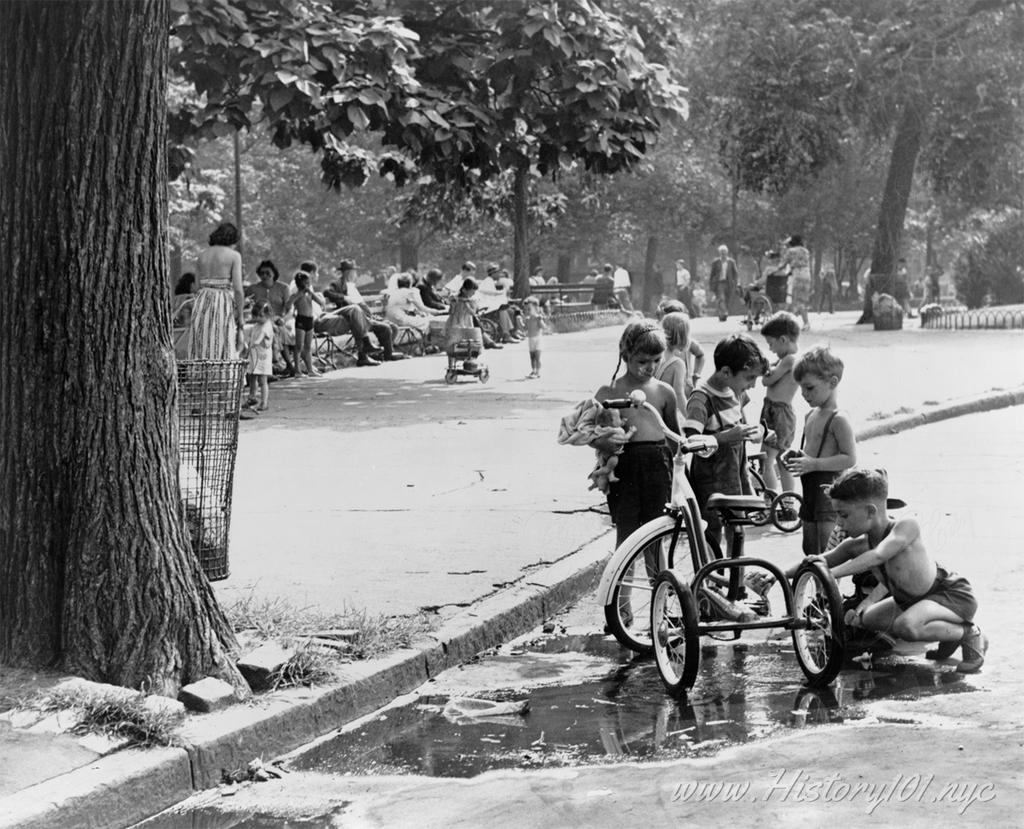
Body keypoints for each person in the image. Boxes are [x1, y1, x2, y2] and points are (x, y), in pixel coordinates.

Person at [756, 468, 986, 673]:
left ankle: (968, 633)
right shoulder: (856, 544)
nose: (839, 523)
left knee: (906, 626)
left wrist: (831, 575)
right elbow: (816, 561)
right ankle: (949, 634)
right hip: (912, 602)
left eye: (844, 515)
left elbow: (878, 555)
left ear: (870, 511)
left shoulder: (905, 528)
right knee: (865, 618)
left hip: (950, 595)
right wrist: (775, 574)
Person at [592, 320, 680, 545]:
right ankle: (621, 578)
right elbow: (589, 432)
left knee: (656, 533)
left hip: (658, 467)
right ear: (625, 356)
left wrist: (680, 472)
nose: (650, 367)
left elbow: (674, 438)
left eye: (656, 360)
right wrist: (604, 442)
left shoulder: (664, 392)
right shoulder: (608, 392)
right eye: (642, 361)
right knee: (627, 533)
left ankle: (658, 580)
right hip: (624, 467)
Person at [683, 334, 768, 553]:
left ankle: (734, 577)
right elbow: (691, 440)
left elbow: (742, 422)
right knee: (711, 531)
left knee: (737, 528)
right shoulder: (701, 398)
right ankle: (710, 575)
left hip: (737, 473)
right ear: (726, 372)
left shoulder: (735, 392)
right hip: (711, 478)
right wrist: (725, 437)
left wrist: (757, 432)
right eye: (749, 378)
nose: (752, 385)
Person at [782, 346, 857, 556]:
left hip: (829, 493)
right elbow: (810, 452)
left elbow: (850, 458)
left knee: (828, 549)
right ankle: (816, 587)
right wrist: (796, 456)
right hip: (810, 492)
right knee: (809, 548)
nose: (804, 394)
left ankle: (828, 589)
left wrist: (814, 464)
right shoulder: (810, 415)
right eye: (802, 389)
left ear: (832, 382)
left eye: (810, 388)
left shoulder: (839, 418)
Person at [321, 260, 403, 365]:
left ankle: (385, 354)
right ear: (348, 272)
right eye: (354, 271)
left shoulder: (352, 285)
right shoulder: (338, 283)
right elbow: (327, 292)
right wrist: (345, 297)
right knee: (383, 327)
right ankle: (366, 357)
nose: (355, 274)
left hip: (365, 315)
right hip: (354, 317)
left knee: (391, 327)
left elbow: (360, 302)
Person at [758, 312, 801, 497]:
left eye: (771, 344)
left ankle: (772, 500)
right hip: (776, 412)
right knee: (782, 460)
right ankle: (787, 501)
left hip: (779, 414)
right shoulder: (785, 360)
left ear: (783, 339)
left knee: (767, 460)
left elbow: (767, 381)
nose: (771, 349)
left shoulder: (789, 360)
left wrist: (765, 369)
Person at [189, 222, 245, 359]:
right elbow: (238, 289)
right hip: (221, 301)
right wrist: (241, 314)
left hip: (202, 300)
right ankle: (223, 378)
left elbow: (196, 286)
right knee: (222, 341)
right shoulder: (234, 256)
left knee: (202, 342)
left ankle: (201, 377)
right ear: (232, 239)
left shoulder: (202, 255)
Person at [245, 259, 296, 376]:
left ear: (274, 273)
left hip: (278, 320)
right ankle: (278, 364)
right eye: (261, 273)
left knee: (279, 330)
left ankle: (286, 365)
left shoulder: (283, 288)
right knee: (270, 330)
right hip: (260, 320)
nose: (265, 276)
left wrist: (283, 319)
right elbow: (247, 307)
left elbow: (289, 308)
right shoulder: (253, 289)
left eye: (268, 273)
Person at [657, 311, 705, 406]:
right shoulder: (678, 364)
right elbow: (679, 396)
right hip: (672, 406)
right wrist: (689, 418)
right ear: (683, 336)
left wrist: (696, 375)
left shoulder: (657, 354)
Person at [286, 271, 325, 376]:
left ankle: (310, 370)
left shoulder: (310, 294)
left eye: (309, 283)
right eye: (306, 283)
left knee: (308, 347)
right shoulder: (296, 294)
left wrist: (311, 293)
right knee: (298, 346)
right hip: (301, 320)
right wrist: (299, 295)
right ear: (300, 284)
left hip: (310, 320)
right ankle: (297, 371)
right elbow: (288, 305)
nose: (308, 285)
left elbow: (321, 302)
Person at [444, 277, 485, 371]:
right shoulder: (455, 298)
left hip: (467, 322)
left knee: (469, 344)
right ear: (464, 290)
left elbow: (473, 313)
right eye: (471, 291)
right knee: (452, 343)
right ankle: (451, 367)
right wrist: (453, 304)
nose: (473, 294)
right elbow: (451, 312)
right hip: (455, 322)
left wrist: (467, 304)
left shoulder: (472, 300)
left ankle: (470, 364)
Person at [242, 301, 274, 412]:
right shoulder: (257, 325)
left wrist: (255, 342)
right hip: (254, 355)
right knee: (252, 377)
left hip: (262, 356)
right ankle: (252, 397)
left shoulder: (266, 326)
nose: (259, 318)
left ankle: (264, 402)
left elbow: (261, 337)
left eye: (261, 316)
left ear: (268, 315)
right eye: (257, 316)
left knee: (262, 380)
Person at [781, 235, 811, 330]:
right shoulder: (806, 251)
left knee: (798, 300)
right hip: (807, 275)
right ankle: (801, 318)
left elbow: (783, 264)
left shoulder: (791, 251)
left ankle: (805, 322)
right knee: (802, 300)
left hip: (797, 275)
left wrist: (776, 270)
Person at [708, 245, 738, 322]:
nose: (723, 254)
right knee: (721, 298)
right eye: (721, 252)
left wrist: (736, 283)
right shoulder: (716, 262)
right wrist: (711, 285)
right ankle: (724, 312)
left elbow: (735, 273)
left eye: (724, 252)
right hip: (719, 283)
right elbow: (712, 274)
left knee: (727, 299)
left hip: (729, 283)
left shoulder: (731, 262)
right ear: (719, 253)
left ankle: (722, 315)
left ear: (727, 252)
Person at [523, 295, 545, 379]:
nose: (527, 311)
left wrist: (541, 320)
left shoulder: (537, 318)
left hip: (537, 339)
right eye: (526, 309)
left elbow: (543, 327)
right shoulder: (528, 319)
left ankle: (538, 372)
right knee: (532, 356)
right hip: (530, 339)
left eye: (529, 309)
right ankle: (533, 370)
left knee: (537, 356)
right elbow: (525, 329)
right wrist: (521, 322)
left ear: (536, 309)